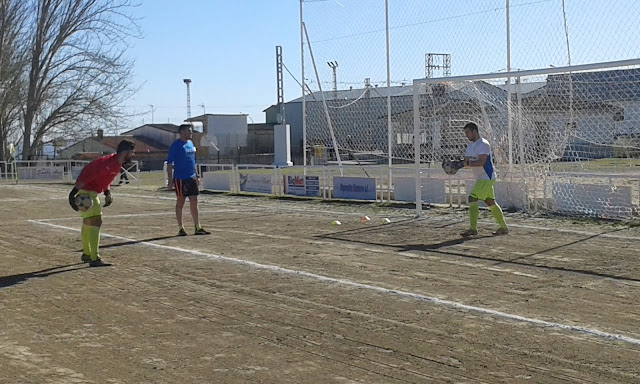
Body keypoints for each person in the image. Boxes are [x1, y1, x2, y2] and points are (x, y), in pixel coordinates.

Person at [68, 139, 136, 266]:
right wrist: (73, 193)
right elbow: (87, 175)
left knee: (88, 222)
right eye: (132, 153)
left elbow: (104, 179)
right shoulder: (108, 163)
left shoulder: (114, 162)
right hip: (87, 193)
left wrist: (107, 193)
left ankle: (87, 254)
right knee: (96, 222)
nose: (133, 155)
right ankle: (94, 258)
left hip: (88, 192)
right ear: (125, 152)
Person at [460, 122, 508, 237]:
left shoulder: (483, 144)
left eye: (468, 132)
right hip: (482, 178)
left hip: (486, 176)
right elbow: (467, 162)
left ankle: (472, 228)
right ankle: (503, 228)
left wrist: (468, 163)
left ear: (474, 131)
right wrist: (457, 165)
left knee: (472, 198)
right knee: (490, 202)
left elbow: (481, 162)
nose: (466, 135)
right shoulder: (470, 145)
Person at [167, 123, 211, 236]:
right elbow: (169, 164)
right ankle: (181, 228)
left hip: (191, 177)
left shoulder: (191, 144)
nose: (191, 133)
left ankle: (197, 227)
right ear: (182, 132)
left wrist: (196, 175)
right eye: (189, 131)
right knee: (180, 202)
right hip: (180, 178)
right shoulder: (175, 146)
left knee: (194, 201)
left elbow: (192, 161)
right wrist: (170, 180)